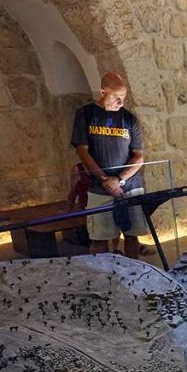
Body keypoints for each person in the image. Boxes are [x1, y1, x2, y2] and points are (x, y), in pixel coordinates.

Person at [70, 72, 147, 258]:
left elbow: (139, 156)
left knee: (132, 235)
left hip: (129, 185)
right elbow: (83, 151)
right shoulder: (86, 115)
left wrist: (119, 180)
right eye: (116, 97)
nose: (121, 102)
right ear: (102, 92)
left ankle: (133, 275)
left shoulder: (130, 119)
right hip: (99, 187)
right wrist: (104, 179)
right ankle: (102, 276)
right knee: (99, 237)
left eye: (123, 98)